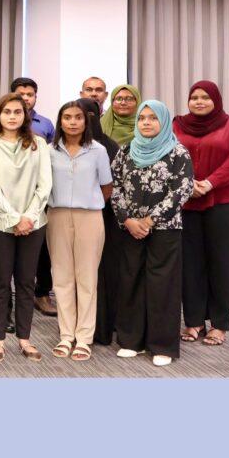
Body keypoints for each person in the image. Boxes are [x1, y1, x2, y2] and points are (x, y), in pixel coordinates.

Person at [111, 100, 193, 367]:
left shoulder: (177, 152)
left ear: (163, 121)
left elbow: (181, 190)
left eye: (153, 118)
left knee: (163, 286)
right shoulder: (126, 151)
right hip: (130, 228)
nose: (146, 122)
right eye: (142, 118)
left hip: (165, 228)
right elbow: (115, 187)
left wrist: (149, 220)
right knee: (131, 281)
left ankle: (162, 345)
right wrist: (128, 219)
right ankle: (131, 341)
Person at [174, 81, 229, 347]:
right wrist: (187, 184)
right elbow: (168, 157)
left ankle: (219, 324)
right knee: (190, 264)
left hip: (224, 201)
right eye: (194, 97)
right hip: (186, 203)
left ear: (216, 100)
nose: (199, 101)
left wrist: (209, 183)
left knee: (221, 262)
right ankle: (194, 321)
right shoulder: (176, 126)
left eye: (205, 97)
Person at [0, 93, 51, 362]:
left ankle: (25, 339)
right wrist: (13, 218)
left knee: (26, 282)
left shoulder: (38, 144)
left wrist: (28, 217)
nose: (12, 116)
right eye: (6, 111)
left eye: (17, 112)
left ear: (25, 115)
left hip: (33, 223)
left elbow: (45, 185)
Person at [46, 101, 113, 361]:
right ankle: (66, 335)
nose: (73, 122)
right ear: (60, 121)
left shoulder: (98, 150)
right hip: (57, 215)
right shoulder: (49, 151)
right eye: (67, 117)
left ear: (86, 122)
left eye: (78, 117)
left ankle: (84, 337)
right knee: (62, 278)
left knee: (87, 279)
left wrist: (88, 202)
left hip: (90, 217)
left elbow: (106, 187)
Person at [76, 98, 123, 346]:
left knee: (105, 273)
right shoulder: (68, 146)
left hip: (105, 218)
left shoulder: (109, 147)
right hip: (75, 217)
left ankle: (104, 326)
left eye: (90, 116)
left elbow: (112, 186)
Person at [10, 76, 56, 317]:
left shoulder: (45, 124)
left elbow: (53, 158)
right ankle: (5, 301)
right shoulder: (2, 120)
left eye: (30, 94)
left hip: (38, 197)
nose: (26, 98)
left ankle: (42, 293)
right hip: (8, 198)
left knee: (41, 251)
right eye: (21, 94)